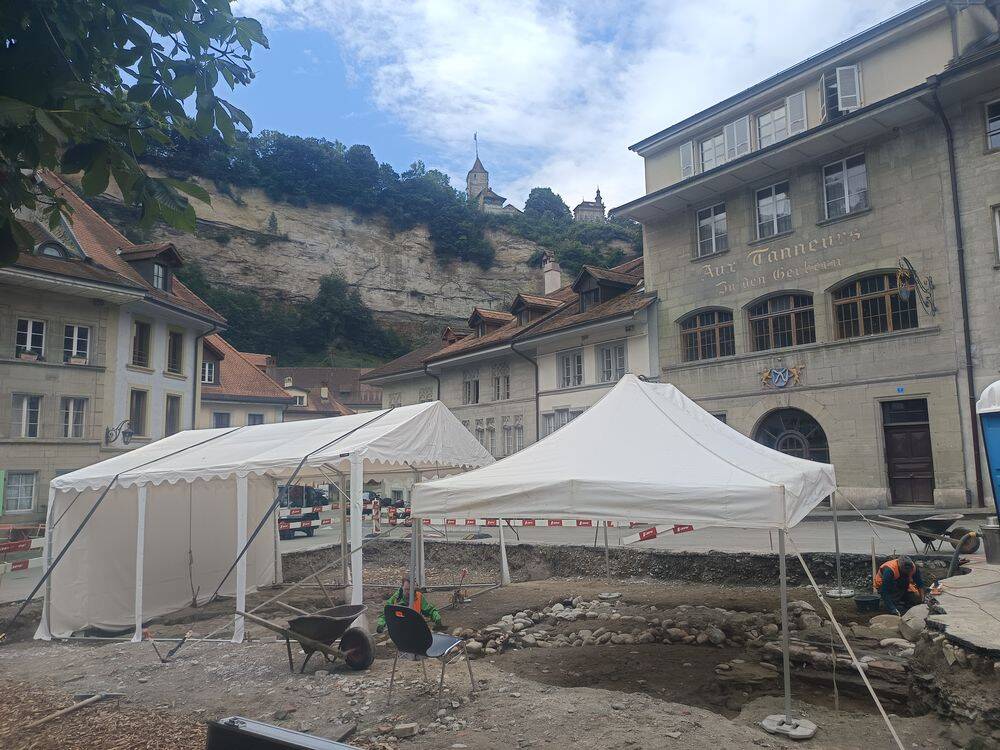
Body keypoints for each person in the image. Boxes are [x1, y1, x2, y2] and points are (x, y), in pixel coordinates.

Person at [376, 573, 442, 633]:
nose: (409, 592)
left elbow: (429, 610)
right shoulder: (395, 598)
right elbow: (385, 612)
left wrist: (436, 616)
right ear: (402, 587)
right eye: (406, 589)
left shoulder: (419, 597)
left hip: (415, 629)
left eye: (411, 589)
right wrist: (381, 624)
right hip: (399, 631)